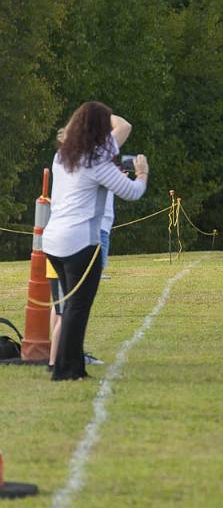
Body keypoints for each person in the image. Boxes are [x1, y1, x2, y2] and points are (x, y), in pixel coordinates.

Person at [43, 102, 148, 381]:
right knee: (78, 308)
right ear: (101, 132)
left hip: (52, 240)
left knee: (68, 308)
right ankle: (66, 370)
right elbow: (132, 192)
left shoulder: (62, 157)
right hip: (80, 242)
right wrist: (142, 173)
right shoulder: (97, 161)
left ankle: (70, 365)